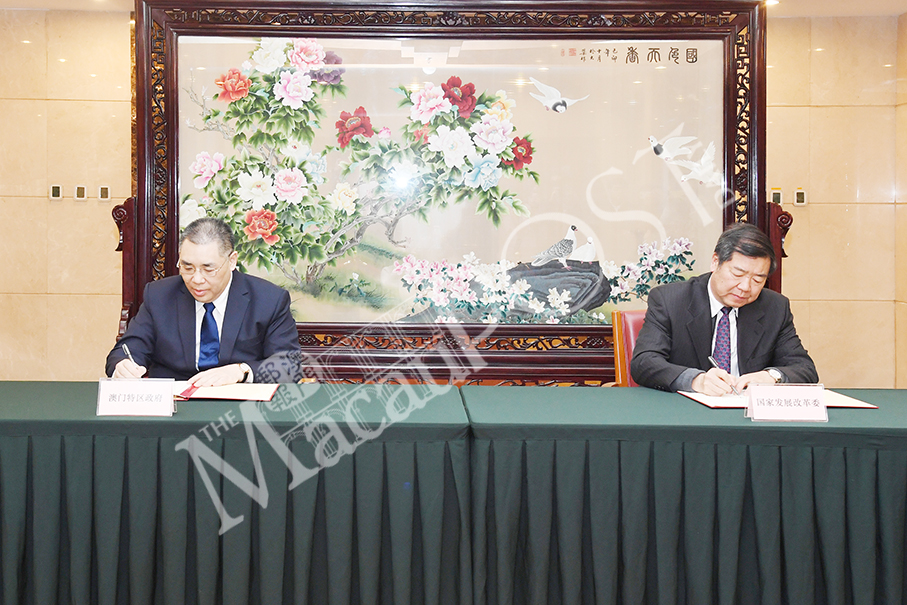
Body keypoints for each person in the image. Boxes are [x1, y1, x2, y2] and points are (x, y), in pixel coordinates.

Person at [106, 217, 300, 386]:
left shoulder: (269, 300)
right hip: (176, 403)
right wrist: (123, 366)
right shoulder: (159, 295)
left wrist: (241, 370)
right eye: (187, 267)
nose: (197, 279)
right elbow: (127, 350)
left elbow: (289, 366)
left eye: (208, 269)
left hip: (238, 405)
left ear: (232, 261)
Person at [630, 222, 818, 395]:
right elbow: (644, 362)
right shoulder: (670, 300)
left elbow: (805, 368)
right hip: (686, 411)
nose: (745, 287)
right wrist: (695, 380)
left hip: (746, 414)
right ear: (715, 262)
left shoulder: (774, 307)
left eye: (757, 279)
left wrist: (771, 376)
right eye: (737, 274)